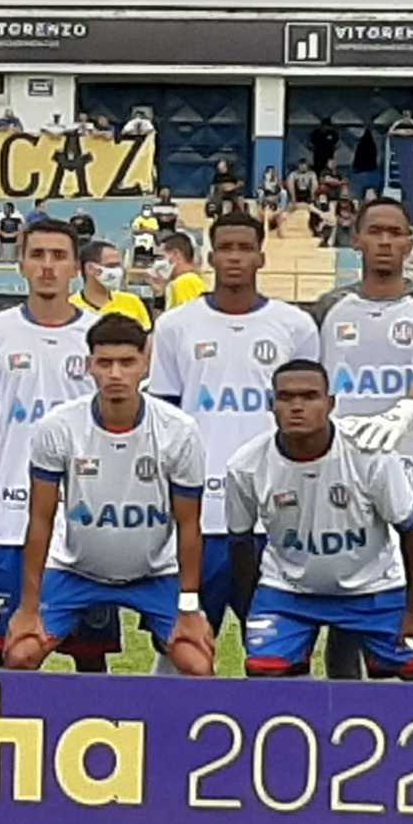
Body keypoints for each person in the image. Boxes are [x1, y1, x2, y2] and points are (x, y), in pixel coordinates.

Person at [148, 210, 320, 653]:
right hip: (197, 518)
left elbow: (309, 423)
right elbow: (164, 422)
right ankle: (171, 723)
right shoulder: (175, 326)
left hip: (274, 516)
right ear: (210, 256)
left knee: (274, 653)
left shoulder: (295, 326)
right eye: (226, 248)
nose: (235, 258)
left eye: (245, 248)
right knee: (182, 648)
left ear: (262, 256)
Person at [5, 314, 213, 674]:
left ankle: (167, 730)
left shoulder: (179, 431)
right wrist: (28, 607)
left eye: (127, 363)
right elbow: (40, 520)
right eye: (105, 363)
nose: (116, 374)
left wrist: (190, 608)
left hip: (155, 573)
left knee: (198, 666)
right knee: (20, 655)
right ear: (89, 367)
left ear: (145, 365)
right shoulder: (57, 427)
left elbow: (190, 526)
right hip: (75, 570)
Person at [315, 197, 413, 681]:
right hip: (343, 487)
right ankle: (343, 720)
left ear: (409, 242)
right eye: (374, 231)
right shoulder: (331, 308)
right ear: (356, 238)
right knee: (346, 619)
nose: (384, 241)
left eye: (394, 232)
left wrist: (407, 408)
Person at [227, 359, 413, 680]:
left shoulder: (370, 454)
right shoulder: (245, 466)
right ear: (272, 405)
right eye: (286, 398)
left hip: (375, 590)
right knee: (264, 671)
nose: (296, 407)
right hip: (289, 593)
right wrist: (250, 613)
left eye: (309, 397)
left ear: (330, 404)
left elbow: (411, 530)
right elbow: (241, 543)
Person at [0, 218, 119, 671]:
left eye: (58, 256)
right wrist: (21, 460)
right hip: (11, 519)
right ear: (21, 264)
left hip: (85, 519)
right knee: (4, 649)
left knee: (89, 657)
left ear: (77, 267)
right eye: (37, 255)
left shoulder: (99, 334)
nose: (48, 267)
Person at [71, 239, 151, 330]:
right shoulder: (71, 306)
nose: (118, 271)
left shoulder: (133, 302)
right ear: (90, 268)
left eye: (118, 266)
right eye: (111, 266)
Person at [150, 231, 206, 311]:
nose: (157, 263)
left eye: (161, 257)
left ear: (176, 254)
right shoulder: (183, 281)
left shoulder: (185, 282)